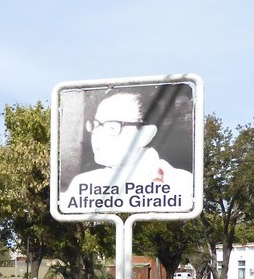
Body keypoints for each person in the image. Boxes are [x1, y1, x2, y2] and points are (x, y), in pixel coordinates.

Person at [60, 90, 193, 214]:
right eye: (96, 125)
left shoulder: (179, 183)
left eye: (112, 127)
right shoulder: (83, 184)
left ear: (145, 135)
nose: (97, 135)